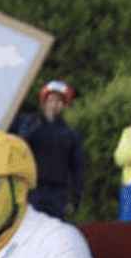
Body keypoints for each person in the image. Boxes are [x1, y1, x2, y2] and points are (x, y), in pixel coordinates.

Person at [15, 80, 87, 221]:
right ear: (44, 102)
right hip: (31, 190)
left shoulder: (71, 134)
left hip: (58, 194)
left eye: (59, 101)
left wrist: (75, 199)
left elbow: (78, 168)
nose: (54, 104)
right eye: (51, 100)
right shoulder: (29, 123)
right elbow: (19, 147)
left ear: (65, 105)